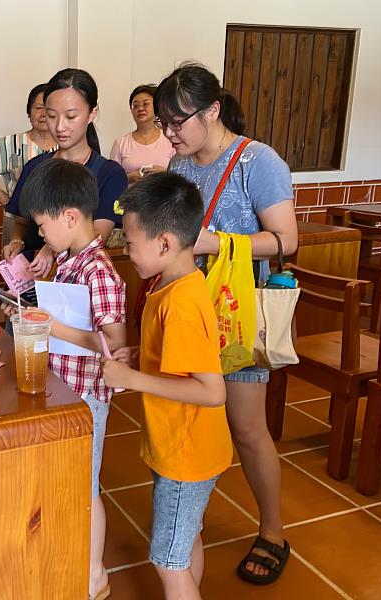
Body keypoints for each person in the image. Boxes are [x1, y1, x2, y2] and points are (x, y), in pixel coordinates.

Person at [154, 62, 298, 585]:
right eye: (165, 124)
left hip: (236, 316)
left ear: (212, 110)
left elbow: (286, 240)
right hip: (190, 311)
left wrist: (220, 243)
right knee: (194, 420)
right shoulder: (180, 161)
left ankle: (274, 530)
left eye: (177, 122)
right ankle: (187, 524)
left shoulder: (257, 161)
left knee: (246, 426)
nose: (170, 134)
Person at [102, 172, 230, 600]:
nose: (125, 250)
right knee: (187, 539)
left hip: (184, 455)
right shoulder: (174, 285)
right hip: (186, 447)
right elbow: (180, 359)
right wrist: (141, 357)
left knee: (167, 561)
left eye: (130, 242)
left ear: (164, 244)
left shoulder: (179, 303)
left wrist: (133, 378)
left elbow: (212, 391)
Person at [3, 159, 127, 600]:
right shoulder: (72, 261)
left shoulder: (99, 271)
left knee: (87, 487)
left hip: (89, 395)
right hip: (66, 388)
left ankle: (94, 575)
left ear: (70, 217)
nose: (40, 234)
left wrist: (53, 326)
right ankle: (73, 555)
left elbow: (113, 344)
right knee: (70, 481)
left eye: (42, 225)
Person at [3, 68, 128, 279]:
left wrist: (51, 249)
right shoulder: (35, 167)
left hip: (74, 280)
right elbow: (22, 221)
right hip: (31, 273)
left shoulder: (110, 174)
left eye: (71, 116)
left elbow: (98, 235)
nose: (60, 126)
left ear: (92, 113)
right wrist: (17, 241)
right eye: (51, 116)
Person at [109, 84, 175, 183]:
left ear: (156, 107)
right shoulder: (120, 143)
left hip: (165, 197)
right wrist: (128, 178)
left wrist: (165, 174)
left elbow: (182, 178)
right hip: (130, 197)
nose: (140, 108)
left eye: (145, 104)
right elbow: (111, 180)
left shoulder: (170, 139)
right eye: (135, 105)